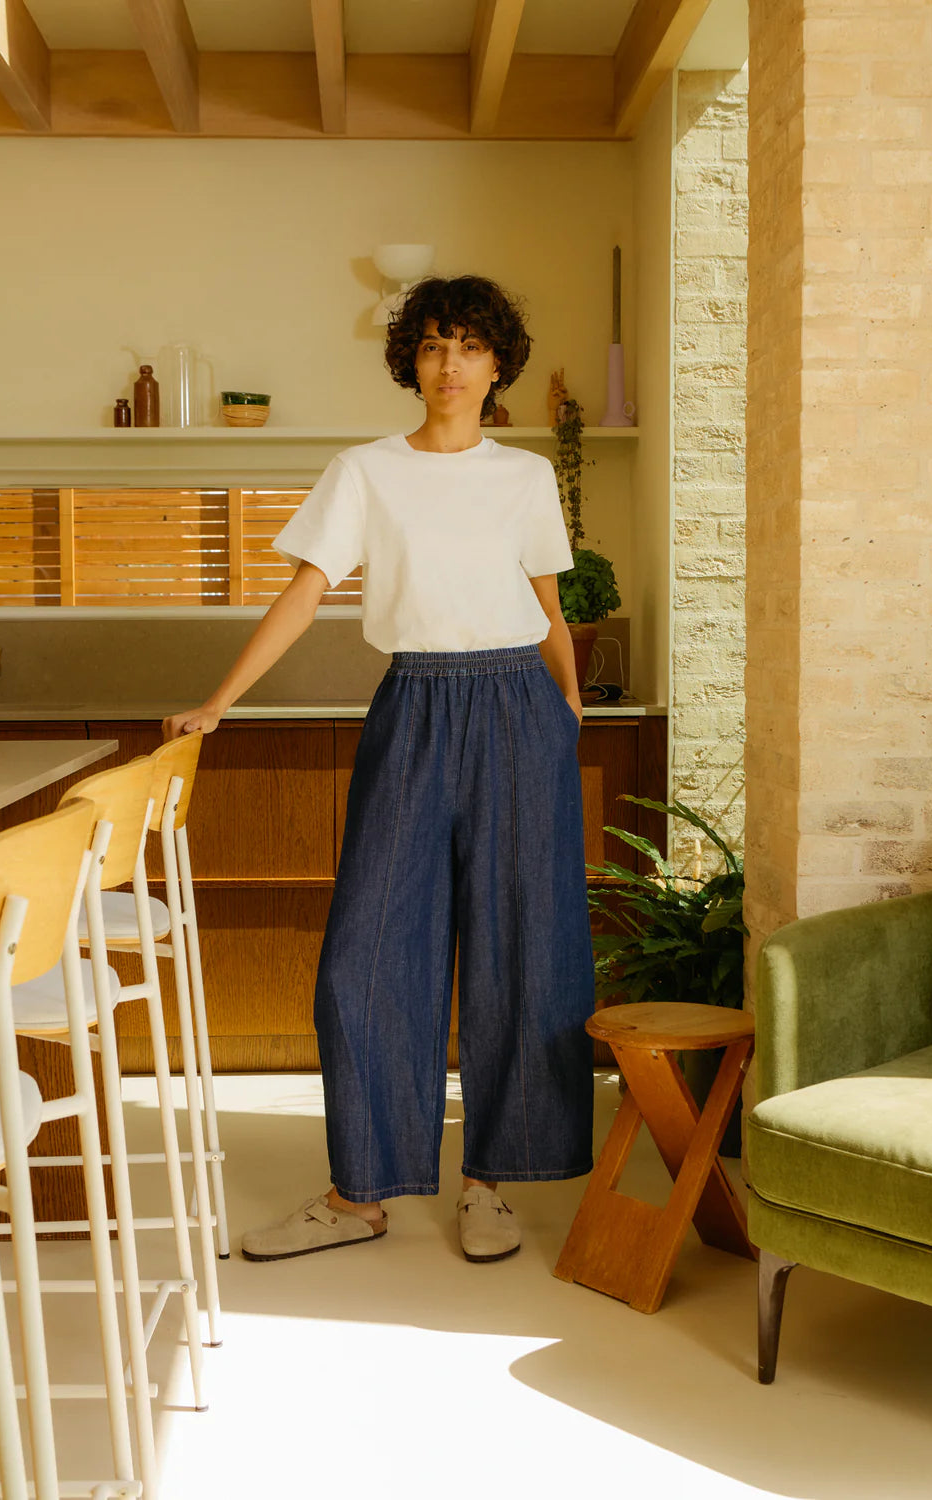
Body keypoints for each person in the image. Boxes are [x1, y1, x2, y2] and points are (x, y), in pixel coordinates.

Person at [163, 273, 596, 1264]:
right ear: (412, 360)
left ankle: (491, 1182)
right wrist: (220, 701)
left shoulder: (525, 478)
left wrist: (567, 707)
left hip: (520, 715)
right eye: (435, 346)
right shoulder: (364, 471)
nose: (451, 365)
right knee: (366, 956)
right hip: (413, 707)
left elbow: (545, 604)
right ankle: (358, 1193)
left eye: (471, 347)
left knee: (520, 951)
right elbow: (306, 592)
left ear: (497, 367)